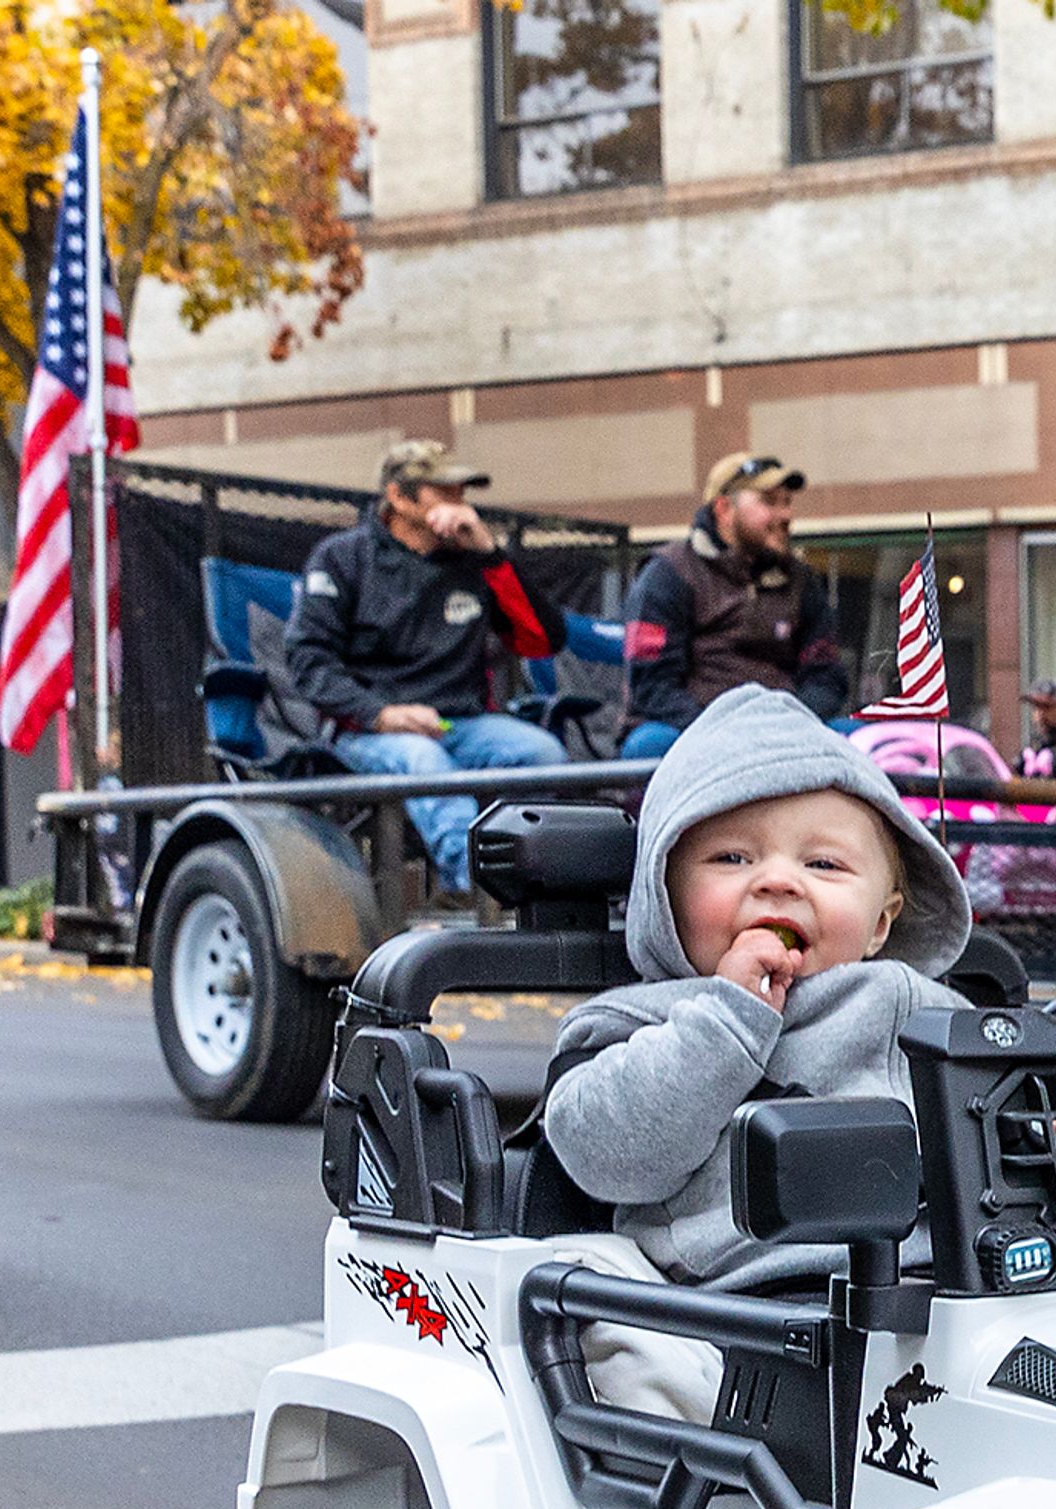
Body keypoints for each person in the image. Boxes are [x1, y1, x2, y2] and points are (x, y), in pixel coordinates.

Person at [540, 688, 967, 1417]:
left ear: (878, 923)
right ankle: (668, 1491)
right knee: (591, 1293)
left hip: (927, 1303)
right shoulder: (643, 1017)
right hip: (721, 1319)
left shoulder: (910, 1001)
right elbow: (597, 1148)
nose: (777, 879)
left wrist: (1046, 1143)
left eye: (826, 865)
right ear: (663, 897)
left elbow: (991, 1099)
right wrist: (727, 1024)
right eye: (732, 857)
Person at [280, 438, 566, 899]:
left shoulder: (473, 559)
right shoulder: (341, 557)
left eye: (462, 493)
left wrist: (491, 552)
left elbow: (542, 640)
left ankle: (531, 883)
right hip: (367, 731)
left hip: (461, 722)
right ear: (399, 497)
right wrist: (382, 714)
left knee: (541, 753)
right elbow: (308, 663)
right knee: (423, 760)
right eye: (445, 492)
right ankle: (475, 890)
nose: (461, 505)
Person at [615, 452, 849, 764]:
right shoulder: (668, 573)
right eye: (769, 502)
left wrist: (788, 724)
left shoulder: (801, 580)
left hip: (786, 730)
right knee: (650, 745)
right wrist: (726, 733)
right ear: (724, 509)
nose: (785, 514)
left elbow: (826, 677)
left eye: (787, 502)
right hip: (689, 731)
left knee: (868, 740)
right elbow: (652, 686)